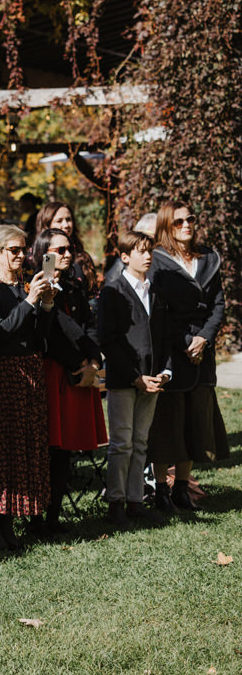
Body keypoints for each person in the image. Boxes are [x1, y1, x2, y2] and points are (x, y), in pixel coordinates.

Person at [148, 199, 230, 511]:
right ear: (166, 225)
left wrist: (204, 339)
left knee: (195, 422)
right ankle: (161, 491)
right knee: (167, 424)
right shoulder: (157, 261)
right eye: (179, 221)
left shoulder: (208, 258)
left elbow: (218, 305)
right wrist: (186, 341)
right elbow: (157, 311)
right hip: (171, 349)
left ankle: (182, 487)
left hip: (201, 351)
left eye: (190, 219)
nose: (187, 225)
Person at [0, 224, 55, 550]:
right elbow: (0, 332)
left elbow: (40, 334)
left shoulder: (26, 285)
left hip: (32, 370)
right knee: (2, 450)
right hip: (4, 373)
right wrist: (31, 300)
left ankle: (12, 522)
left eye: (23, 249)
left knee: (24, 447)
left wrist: (46, 304)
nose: (21, 255)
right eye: (13, 250)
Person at [32, 227, 106, 534]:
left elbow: (87, 326)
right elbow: (52, 334)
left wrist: (95, 362)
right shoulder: (38, 284)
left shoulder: (74, 286)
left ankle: (53, 517)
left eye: (68, 249)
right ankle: (37, 518)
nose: (66, 254)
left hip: (77, 370)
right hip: (51, 369)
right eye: (59, 250)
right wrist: (82, 363)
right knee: (46, 447)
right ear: (44, 254)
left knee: (64, 449)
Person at [98, 230, 172, 527]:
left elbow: (164, 338)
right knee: (121, 443)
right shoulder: (113, 291)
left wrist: (165, 372)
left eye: (150, 250)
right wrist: (135, 377)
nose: (148, 255)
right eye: (140, 251)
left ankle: (136, 500)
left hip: (153, 379)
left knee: (141, 442)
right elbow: (108, 340)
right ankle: (115, 503)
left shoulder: (156, 292)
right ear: (125, 257)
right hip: (124, 380)